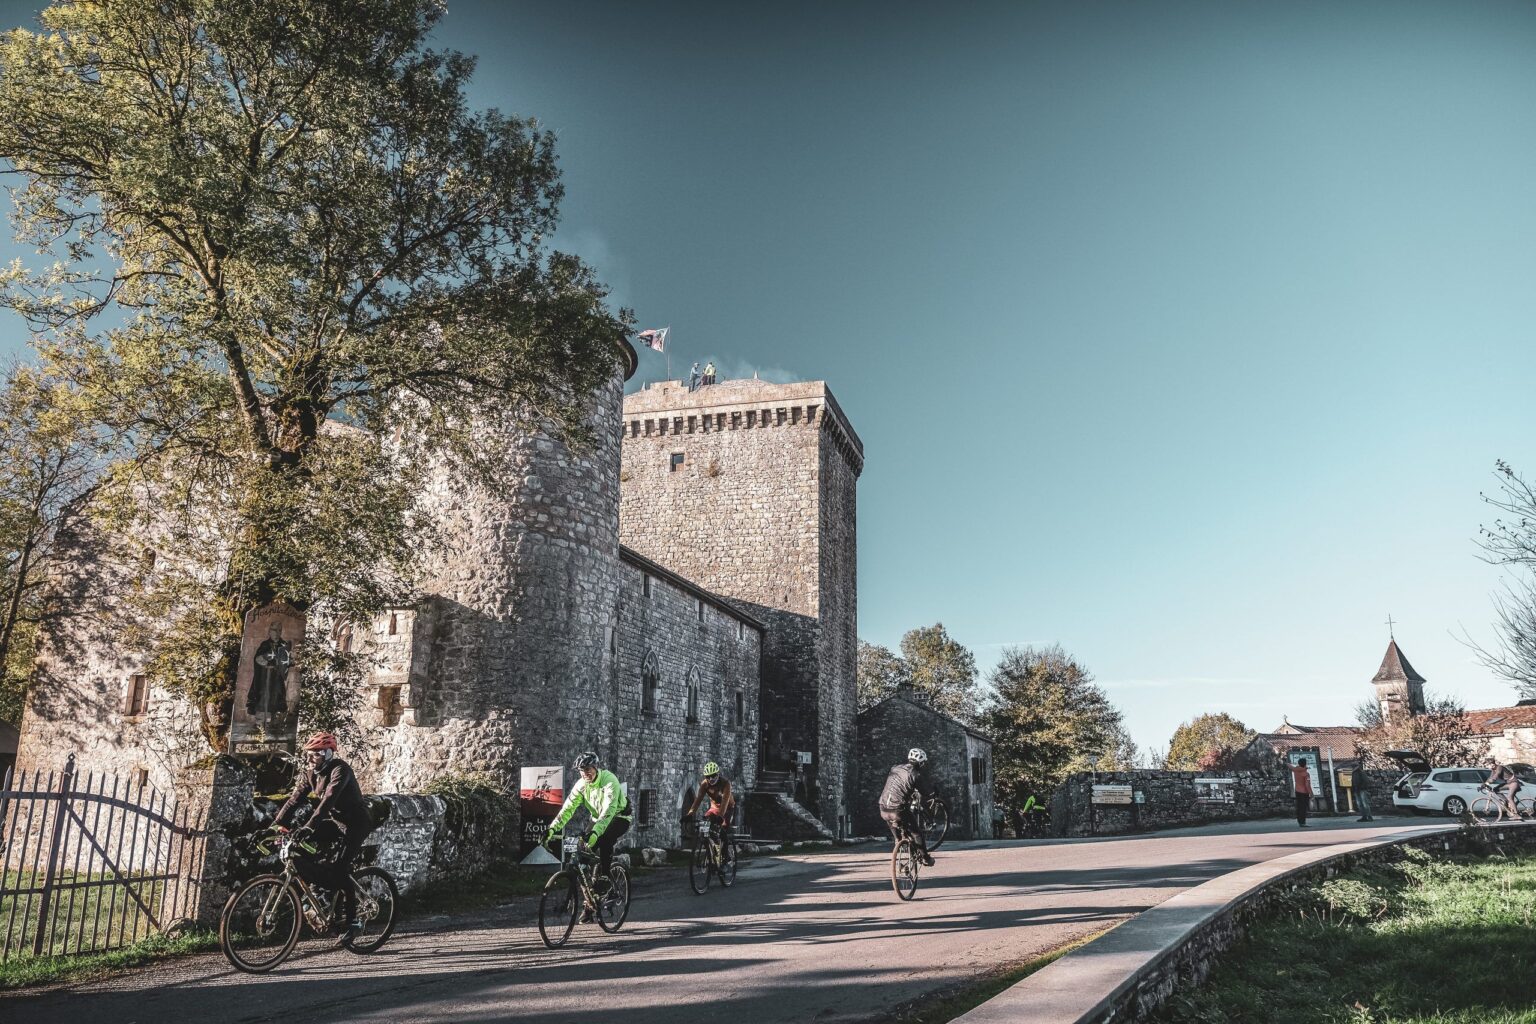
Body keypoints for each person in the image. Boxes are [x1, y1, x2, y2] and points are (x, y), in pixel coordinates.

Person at [274, 731, 375, 946]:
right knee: (302, 849)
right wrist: (278, 824)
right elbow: (294, 800)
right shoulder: (310, 773)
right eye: (309, 754)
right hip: (337, 824)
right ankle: (321, 893)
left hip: (356, 824)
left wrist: (310, 827)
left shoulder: (340, 770)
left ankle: (353, 922)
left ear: (329, 754)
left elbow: (328, 800)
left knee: (340, 870)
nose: (311, 758)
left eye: (317, 754)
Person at [546, 751, 632, 921]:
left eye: (588, 769)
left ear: (596, 767)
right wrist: (552, 829)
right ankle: (590, 904)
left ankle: (607, 875)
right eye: (582, 770)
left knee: (605, 837)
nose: (585, 773)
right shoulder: (581, 785)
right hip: (597, 818)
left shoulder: (609, 780)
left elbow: (608, 811)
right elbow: (568, 809)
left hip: (619, 817)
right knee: (582, 860)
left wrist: (594, 833)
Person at [878, 747, 934, 866]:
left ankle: (898, 840)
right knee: (916, 833)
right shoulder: (916, 775)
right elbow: (926, 793)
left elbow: (898, 784)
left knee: (893, 822)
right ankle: (926, 858)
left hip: (883, 808)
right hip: (898, 810)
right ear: (921, 763)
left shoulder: (895, 768)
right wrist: (934, 794)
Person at [680, 760, 736, 854]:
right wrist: (690, 814)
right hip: (714, 808)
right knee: (705, 822)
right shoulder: (705, 784)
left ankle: (725, 856)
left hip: (727, 808)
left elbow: (725, 801)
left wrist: (721, 816)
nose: (711, 778)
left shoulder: (725, 783)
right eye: (708, 776)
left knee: (722, 829)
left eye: (713, 775)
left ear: (718, 774)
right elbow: (698, 800)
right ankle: (710, 849)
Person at [246, 622, 291, 717]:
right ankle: (260, 722)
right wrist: (267, 662)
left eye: (279, 630)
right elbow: (258, 658)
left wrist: (289, 661)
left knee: (276, 696)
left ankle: (274, 720)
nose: (277, 633)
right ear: (270, 631)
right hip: (264, 677)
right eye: (274, 630)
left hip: (277, 677)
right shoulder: (265, 644)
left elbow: (287, 660)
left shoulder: (284, 645)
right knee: (263, 696)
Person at [1291, 756, 1313, 827]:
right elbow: (1307, 785)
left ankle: (1299, 821)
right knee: (1303, 808)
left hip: (1297, 791)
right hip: (1304, 792)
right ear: (1305, 764)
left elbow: (1290, 766)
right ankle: (1303, 822)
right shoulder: (1306, 774)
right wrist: (1311, 794)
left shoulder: (1295, 770)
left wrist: (1286, 763)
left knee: (1299, 806)